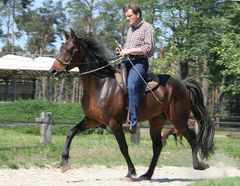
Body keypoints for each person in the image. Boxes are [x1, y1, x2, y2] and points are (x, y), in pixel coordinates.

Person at [117, 3, 155, 133]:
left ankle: (133, 122)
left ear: (137, 14)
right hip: (126, 61)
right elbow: (128, 49)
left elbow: (148, 49)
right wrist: (122, 51)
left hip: (139, 63)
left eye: (129, 16)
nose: (127, 18)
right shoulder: (130, 30)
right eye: (126, 16)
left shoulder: (147, 28)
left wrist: (128, 51)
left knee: (132, 86)